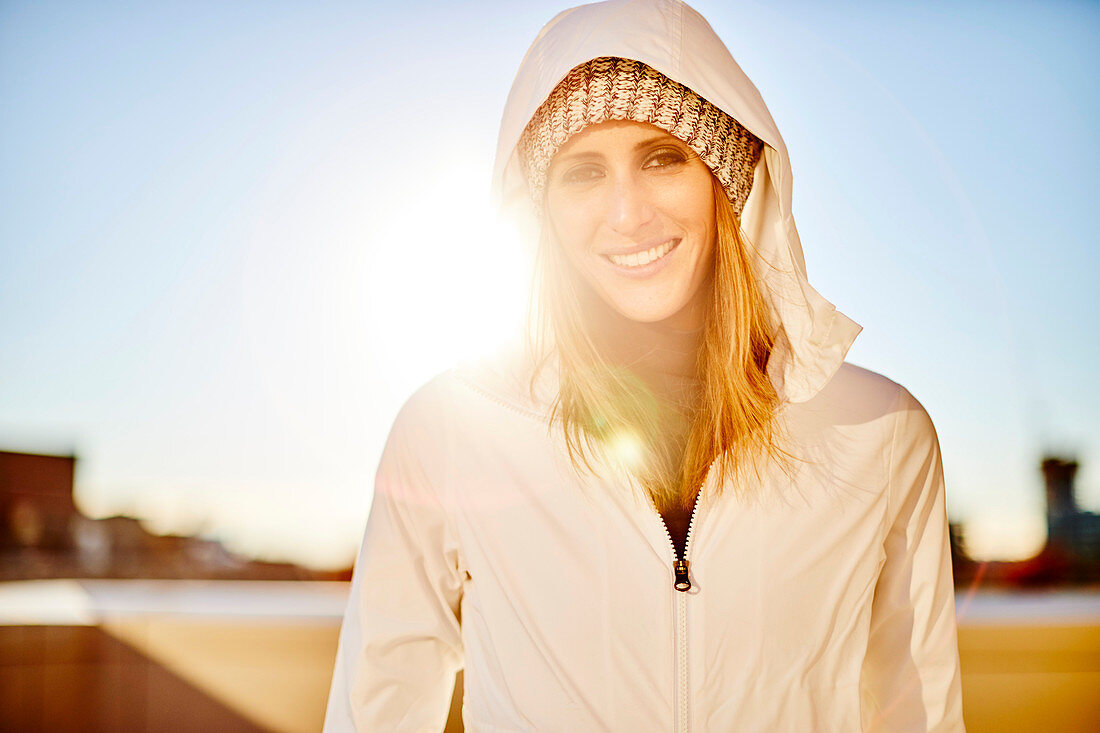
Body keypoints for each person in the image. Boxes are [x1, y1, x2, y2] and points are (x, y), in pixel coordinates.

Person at [324, 0, 965, 730]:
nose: (627, 214)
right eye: (582, 173)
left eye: (663, 158)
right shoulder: (449, 429)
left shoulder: (881, 432)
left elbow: (920, 714)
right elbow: (374, 709)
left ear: (726, 180)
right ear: (543, 210)